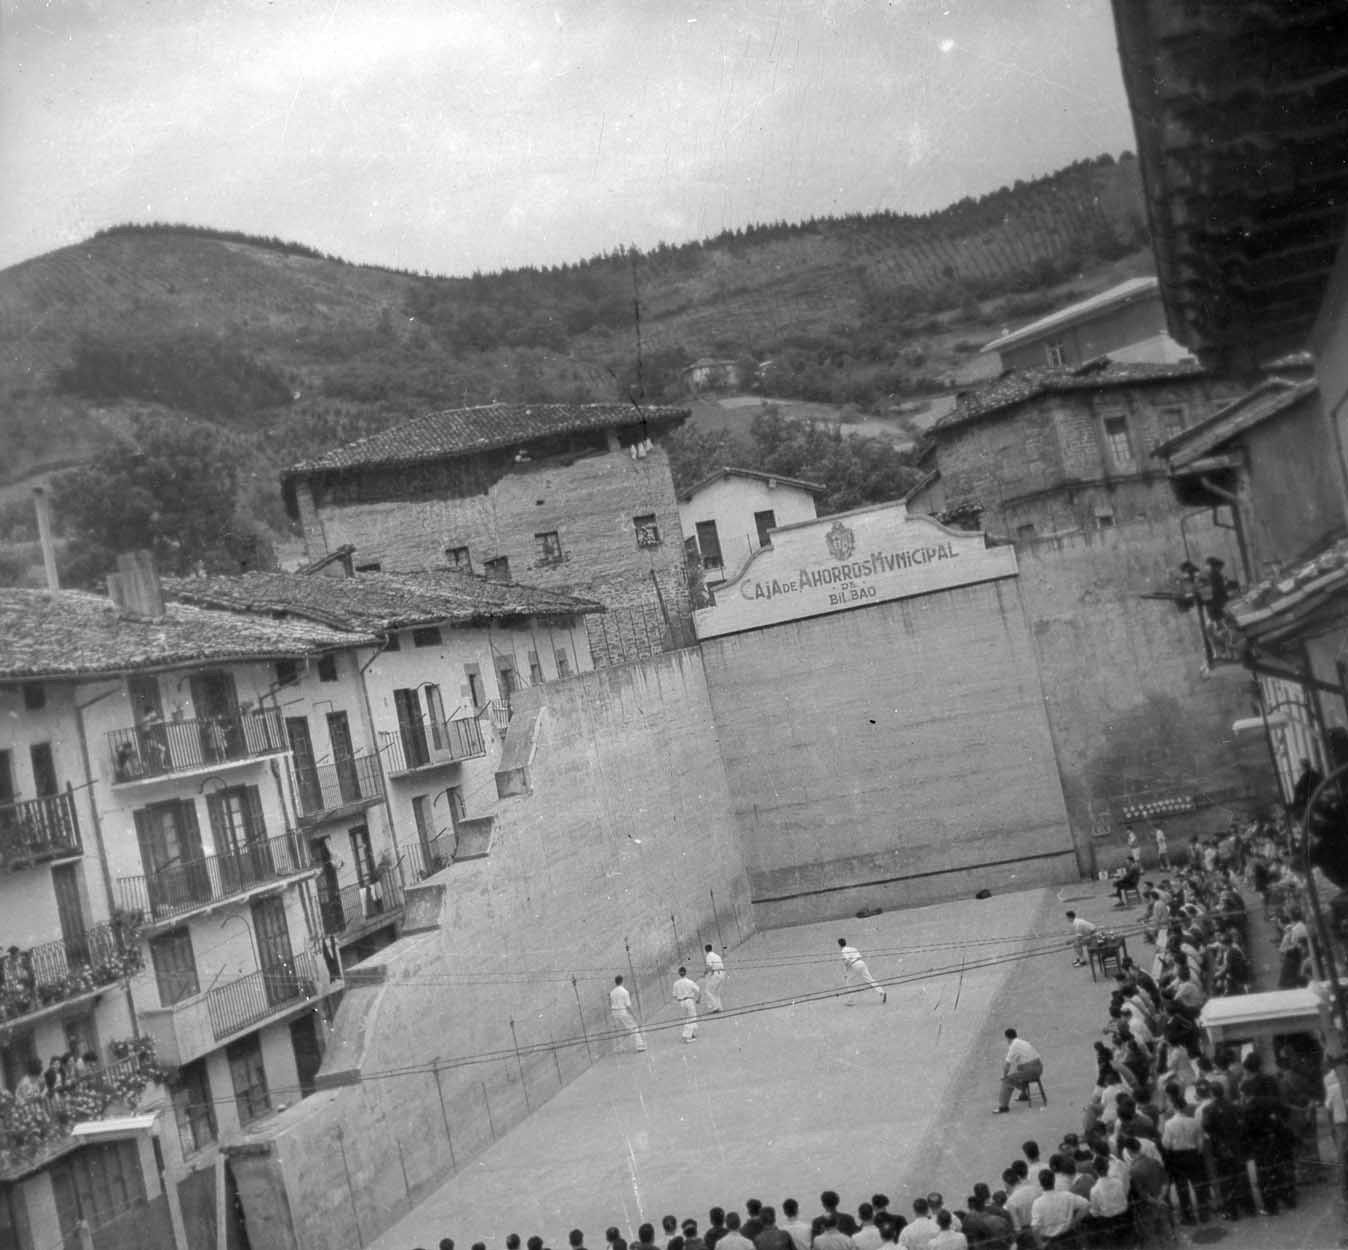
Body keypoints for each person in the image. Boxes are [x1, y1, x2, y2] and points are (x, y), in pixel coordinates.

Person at [1027, 1169, 1087, 1246]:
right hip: (1069, 1238)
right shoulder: (1067, 1196)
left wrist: (1040, 1245)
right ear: (1054, 1180)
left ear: (1040, 1184)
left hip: (1050, 1242)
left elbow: (1035, 1228)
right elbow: (1086, 1205)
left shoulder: (1037, 1203)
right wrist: (1074, 1222)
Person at [995, 1028, 1043, 1113]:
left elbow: (1007, 1065)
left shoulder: (1013, 1046)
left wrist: (1004, 1076)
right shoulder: (1023, 1042)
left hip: (1031, 1071)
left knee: (1007, 1081)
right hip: (1039, 1067)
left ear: (1007, 1038)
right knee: (1019, 1068)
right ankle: (1023, 1095)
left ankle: (1003, 1107)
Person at [838, 937, 887, 1004]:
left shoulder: (843, 950)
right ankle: (882, 992)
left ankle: (850, 1000)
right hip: (862, 963)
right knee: (870, 979)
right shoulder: (853, 948)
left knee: (849, 981)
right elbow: (859, 956)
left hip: (854, 965)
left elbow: (848, 960)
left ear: (839, 945)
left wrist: (846, 972)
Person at [609, 974, 646, 1053]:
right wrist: (634, 1016)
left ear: (615, 982)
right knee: (634, 1028)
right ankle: (640, 1047)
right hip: (622, 1012)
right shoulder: (625, 992)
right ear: (622, 981)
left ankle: (619, 1048)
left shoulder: (612, 992)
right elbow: (628, 1006)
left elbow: (611, 1003)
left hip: (614, 1013)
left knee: (618, 1030)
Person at [673, 966, 701, 1042]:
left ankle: (690, 1034)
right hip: (689, 1001)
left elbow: (675, 996)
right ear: (686, 972)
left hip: (681, 1002)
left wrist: (680, 1000)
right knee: (692, 1017)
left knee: (687, 1018)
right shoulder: (690, 982)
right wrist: (698, 999)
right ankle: (688, 1037)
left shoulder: (676, 983)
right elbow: (698, 991)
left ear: (679, 973)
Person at [703, 943, 726, 1013]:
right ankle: (720, 1008)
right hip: (722, 974)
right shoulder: (717, 955)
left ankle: (715, 1007)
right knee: (716, 992)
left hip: (716, 974)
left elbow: (709, 966)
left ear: (706, 950)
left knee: (708, 990)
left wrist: (705, 973)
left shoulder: (708, 956)